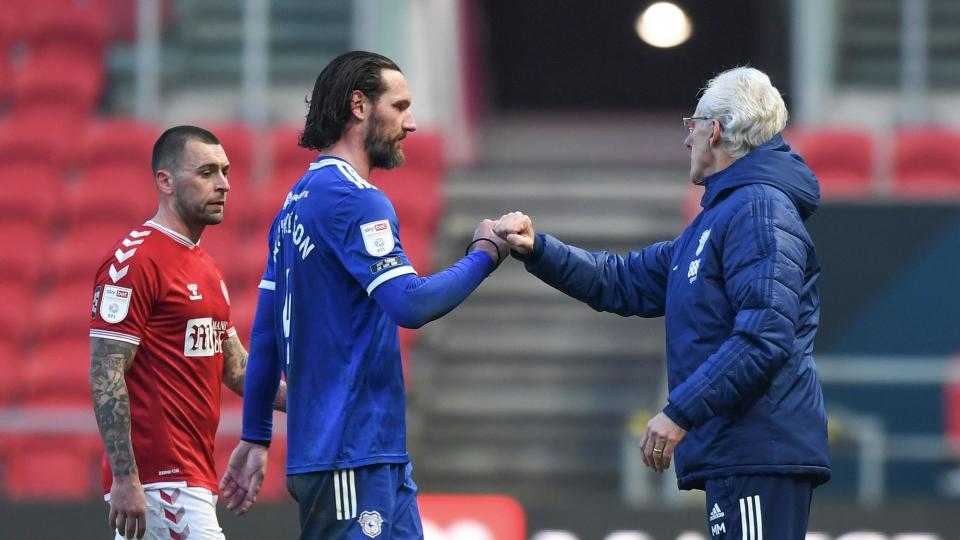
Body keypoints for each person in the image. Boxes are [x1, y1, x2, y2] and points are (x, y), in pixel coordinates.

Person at [494, 67, 830, 539]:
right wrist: (538, 249)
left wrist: (679, 411)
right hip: (739, 453)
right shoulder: (719, 218)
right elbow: (620, 280)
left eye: (693, 124)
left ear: (715, 131)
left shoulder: (759, 209)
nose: (687, 138)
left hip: (759, 451)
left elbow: (764, 337)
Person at [219, 51, 509, 539]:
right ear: (359, 105)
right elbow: (409, 303)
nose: (411, 124)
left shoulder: (294, 205)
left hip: (371, 455)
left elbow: (267, 336)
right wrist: (486, 253)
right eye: (400, 107)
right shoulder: (355, 200)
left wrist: (255, 434)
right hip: (349, 456)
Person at [89, 125, 287, 540]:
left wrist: (317, 401)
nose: (224, 184)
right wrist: (125, 478)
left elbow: (237, 369)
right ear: (165, 181)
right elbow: (105, 371)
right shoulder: (134, 260)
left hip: (190, 479)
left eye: (226, 171)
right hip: (161, 483)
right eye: (207, 172)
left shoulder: (207, 268)